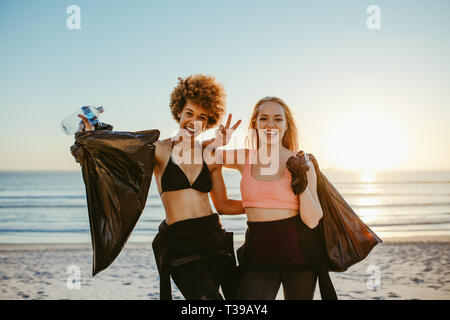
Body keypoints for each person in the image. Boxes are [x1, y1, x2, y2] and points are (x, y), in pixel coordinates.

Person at [78, 74, 242, 300]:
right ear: (179, 112)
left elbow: (223, 205)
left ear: (208, 122)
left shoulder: (210, 154)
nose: (193, 121)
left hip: (215, 240)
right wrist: (93, 136)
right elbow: (120, 150)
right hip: (181, 247)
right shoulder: (159, 150)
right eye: (189, 113)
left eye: (201, 117)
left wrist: (264, 206)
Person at [211, 96, 336, 300]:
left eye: (278, 119)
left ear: (286, 126)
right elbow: (203, 159)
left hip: (300, 256)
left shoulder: (303, 162)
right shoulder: (245, 157)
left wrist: (301, 182)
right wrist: (218, 143)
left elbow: (313, 220)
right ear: (255, 125)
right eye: (264, 118)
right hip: (257, 254)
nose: (270, 124)